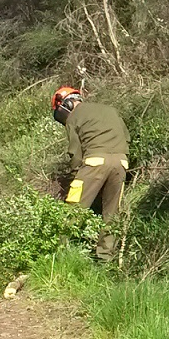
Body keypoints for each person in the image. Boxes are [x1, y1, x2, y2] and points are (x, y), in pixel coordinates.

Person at [51, 86, 130, 262]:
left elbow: (75, 154)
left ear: (67, 104)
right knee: (111, 214)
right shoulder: (110, 110)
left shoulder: (73, 118)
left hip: (94, 162)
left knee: (73, 209)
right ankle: (105, 259)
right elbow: (127, 137)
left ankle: (59, 256)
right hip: (121, 163)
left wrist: (75, 179)